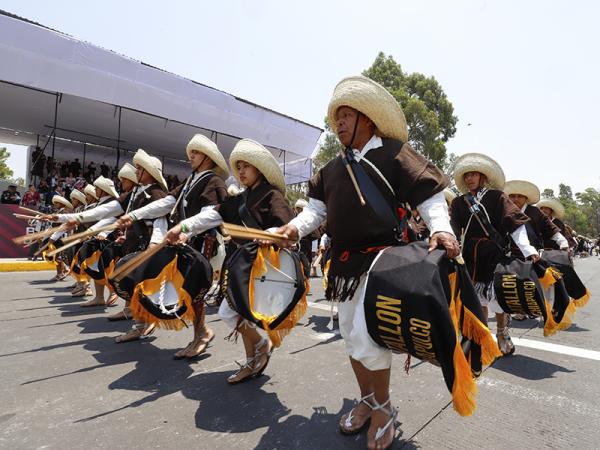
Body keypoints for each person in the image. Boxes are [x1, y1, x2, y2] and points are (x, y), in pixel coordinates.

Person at [276, 76, 458, 450]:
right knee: (353, 338)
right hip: (343, 265)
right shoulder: (329, 170)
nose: (339, 123)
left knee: (370, 338)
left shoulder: (394, 153)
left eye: (347, 115)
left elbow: (430, 196)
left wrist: (442, 228)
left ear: (368, 120)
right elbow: (315, 212)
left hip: (384, 261)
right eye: (337, 117)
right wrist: (294, 228)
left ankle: (384, 407)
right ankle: (368, 398)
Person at [164, 138, 294, 384]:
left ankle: (259, 347)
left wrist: (274, 235)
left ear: (259, 169)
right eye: (240, 166)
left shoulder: (272, 195)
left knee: (228, 312)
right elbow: (211, 216)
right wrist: (183, 227)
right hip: (241, 267)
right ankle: (254, 357)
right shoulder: (236, 201)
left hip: (265, 268)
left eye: (247, 166)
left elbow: (286, 226)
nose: (242, 171)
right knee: (236, 313)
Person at [118, 134, 229, 358]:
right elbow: (167, 203)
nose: (190, 157)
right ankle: (199, 333)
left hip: (200, 241)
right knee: (186, 290)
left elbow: (212, 215)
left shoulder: (213, 181)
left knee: (194, 292)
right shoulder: (190, 181)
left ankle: (202, 334)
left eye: (195, 153)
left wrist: (184, 229)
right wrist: (134, 215)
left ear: (207, 157)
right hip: (184, 241)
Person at [449, 154, 540, 356]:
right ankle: (483, 335)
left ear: (483, 177)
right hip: (470, 255)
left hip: (493, 252)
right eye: (467, 175)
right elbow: (453, 228)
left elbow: (513, 221)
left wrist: (527, 248)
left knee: (497, 298)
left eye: (474, 174)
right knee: (478, 299)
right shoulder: (458, 202)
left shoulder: (496, 196)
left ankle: (502, 332)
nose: (470, 178)